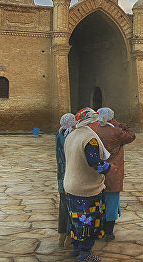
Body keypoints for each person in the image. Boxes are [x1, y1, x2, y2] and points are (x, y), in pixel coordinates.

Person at [63, 108, 112, 262]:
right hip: (86, 188)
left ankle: (76, 248)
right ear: (90, 122)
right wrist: (110, 168)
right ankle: (85, 253)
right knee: (88, 221)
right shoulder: (90, 138)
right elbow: (95, 164)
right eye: (96, 121)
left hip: (70, 185)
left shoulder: (71, 135)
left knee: (75, 219)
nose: (98, 124)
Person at [95, 107, 136, 241]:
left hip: (97, 172)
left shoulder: (94, 130)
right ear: (111, 118)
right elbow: (131, 135)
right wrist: (119, 124)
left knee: (98, 202)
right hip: (113, 171)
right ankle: (108, 232)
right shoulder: (116, 131)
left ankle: (98, 228)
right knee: (111, 201)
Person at [56, 113, 76, 248]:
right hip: (71, 176)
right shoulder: (71, 137)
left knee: (63, 207)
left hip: (61, 176)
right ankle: (69, 237)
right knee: (71, 208)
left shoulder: (59, 135)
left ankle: (61, 236)